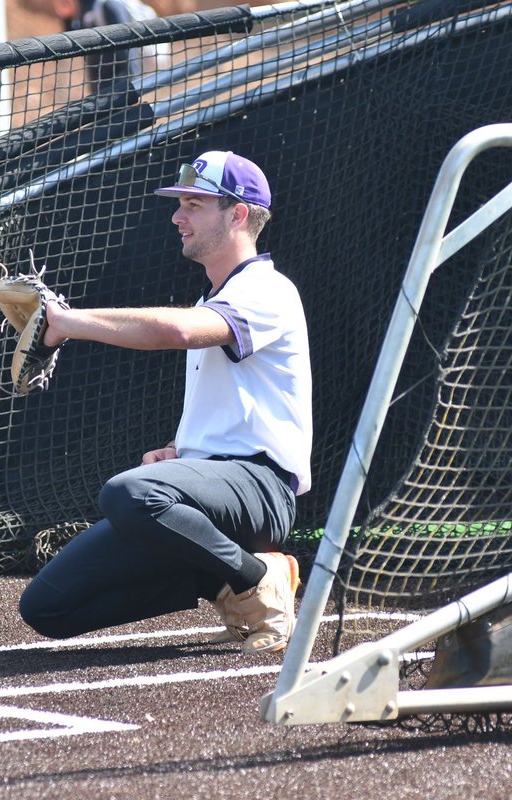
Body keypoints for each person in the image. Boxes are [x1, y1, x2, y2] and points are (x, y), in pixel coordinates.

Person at [18, 150, 313, 654]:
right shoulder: (215, 299)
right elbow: (236, 406)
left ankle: (254, 578)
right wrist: (180, 449)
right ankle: (227, 579)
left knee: (128, 493)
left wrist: (65, 322)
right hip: (212, 491)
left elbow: (174, 331)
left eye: (194, 204)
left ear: (238, 214)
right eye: (180, 204)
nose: (177, 216)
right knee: (46, 607)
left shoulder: (267, 288)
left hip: (262, 491)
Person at [46, 0, 171, 93]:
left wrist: (134, 88)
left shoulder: (110, 5)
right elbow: (78, 44)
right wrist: (67, 17)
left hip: (118, 86)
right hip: (100, 86)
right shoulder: (87, 7)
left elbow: (128, 50)